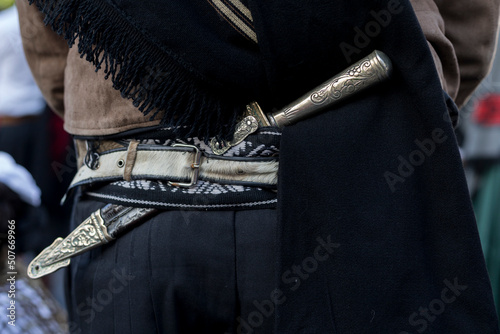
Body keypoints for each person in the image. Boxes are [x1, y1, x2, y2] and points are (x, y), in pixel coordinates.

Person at [16, 0, 500, 333]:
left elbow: (53, 37)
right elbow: (466, 29)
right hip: (354, 197)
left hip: (130, 204)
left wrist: (121, 103)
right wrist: (405, 115)